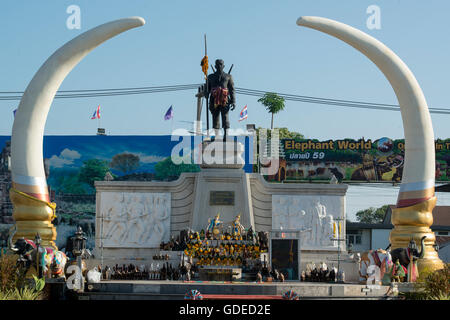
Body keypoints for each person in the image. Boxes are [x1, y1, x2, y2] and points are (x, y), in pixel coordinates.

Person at [206, 59, 235, 140]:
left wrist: (233, 101)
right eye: (217, 64)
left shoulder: (228, 76)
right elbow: (207, 88)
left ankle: (226, 135)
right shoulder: (210, 77)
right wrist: (206, 93)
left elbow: (232, 89)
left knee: (225, 116)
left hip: (224, 99)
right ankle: (217, 135)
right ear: (215, 66)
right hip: (213, 99)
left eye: (221, 64)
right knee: (215, 117)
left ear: (223, 66)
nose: (219, 66)